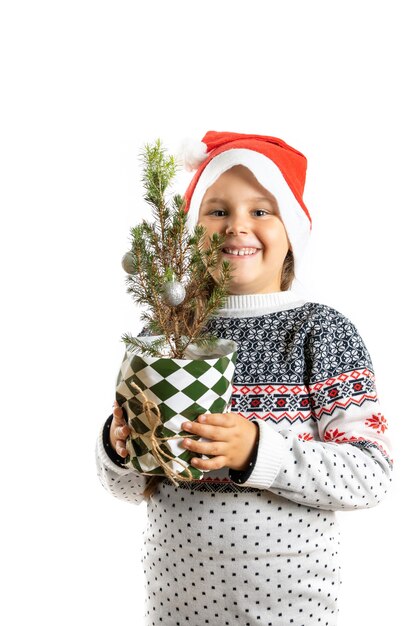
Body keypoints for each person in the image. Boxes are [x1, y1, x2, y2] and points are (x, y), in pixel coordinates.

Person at [95, 130, 393, 626]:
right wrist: (117, 446)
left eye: (261, 211)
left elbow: (369, 474)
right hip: (174, 600)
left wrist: (260, 451)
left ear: (292, 228)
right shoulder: (164, 334)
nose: (237, 226)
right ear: (192, 232)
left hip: (289, 604)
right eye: (218, 211)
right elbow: (127, 489)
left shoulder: (320, 332)